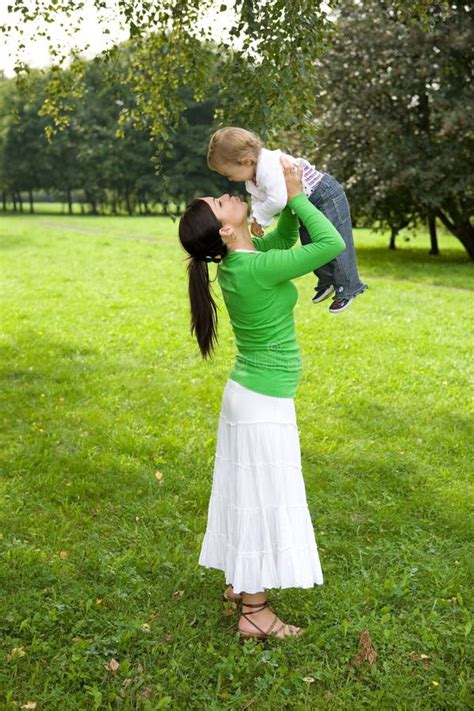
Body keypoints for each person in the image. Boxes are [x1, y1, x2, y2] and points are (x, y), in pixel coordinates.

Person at [178, 160, 345, 641]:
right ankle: (256, 613)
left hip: (251, 399)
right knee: (263, 499)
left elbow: (281, 241)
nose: (226, 195)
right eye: (220, 202)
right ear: (226, 228)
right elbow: (330, 244)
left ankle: (242, 585)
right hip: (260, 405)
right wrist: (297, 198)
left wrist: (283, 196)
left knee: (247, 494)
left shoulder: (243, 260)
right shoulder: (253, 267)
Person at [207, 126, 368, 313]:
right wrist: (257, 220)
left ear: (245, 161)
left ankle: (348, 288)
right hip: (305, 201)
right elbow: (259, 199)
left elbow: (278, 200)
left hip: (324, 195)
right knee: (310, 242)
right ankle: (328, 280)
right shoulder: (252, 177)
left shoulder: (268, 167)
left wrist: (260, 217)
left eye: (229, 174)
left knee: (338, 241)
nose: (230, 180)